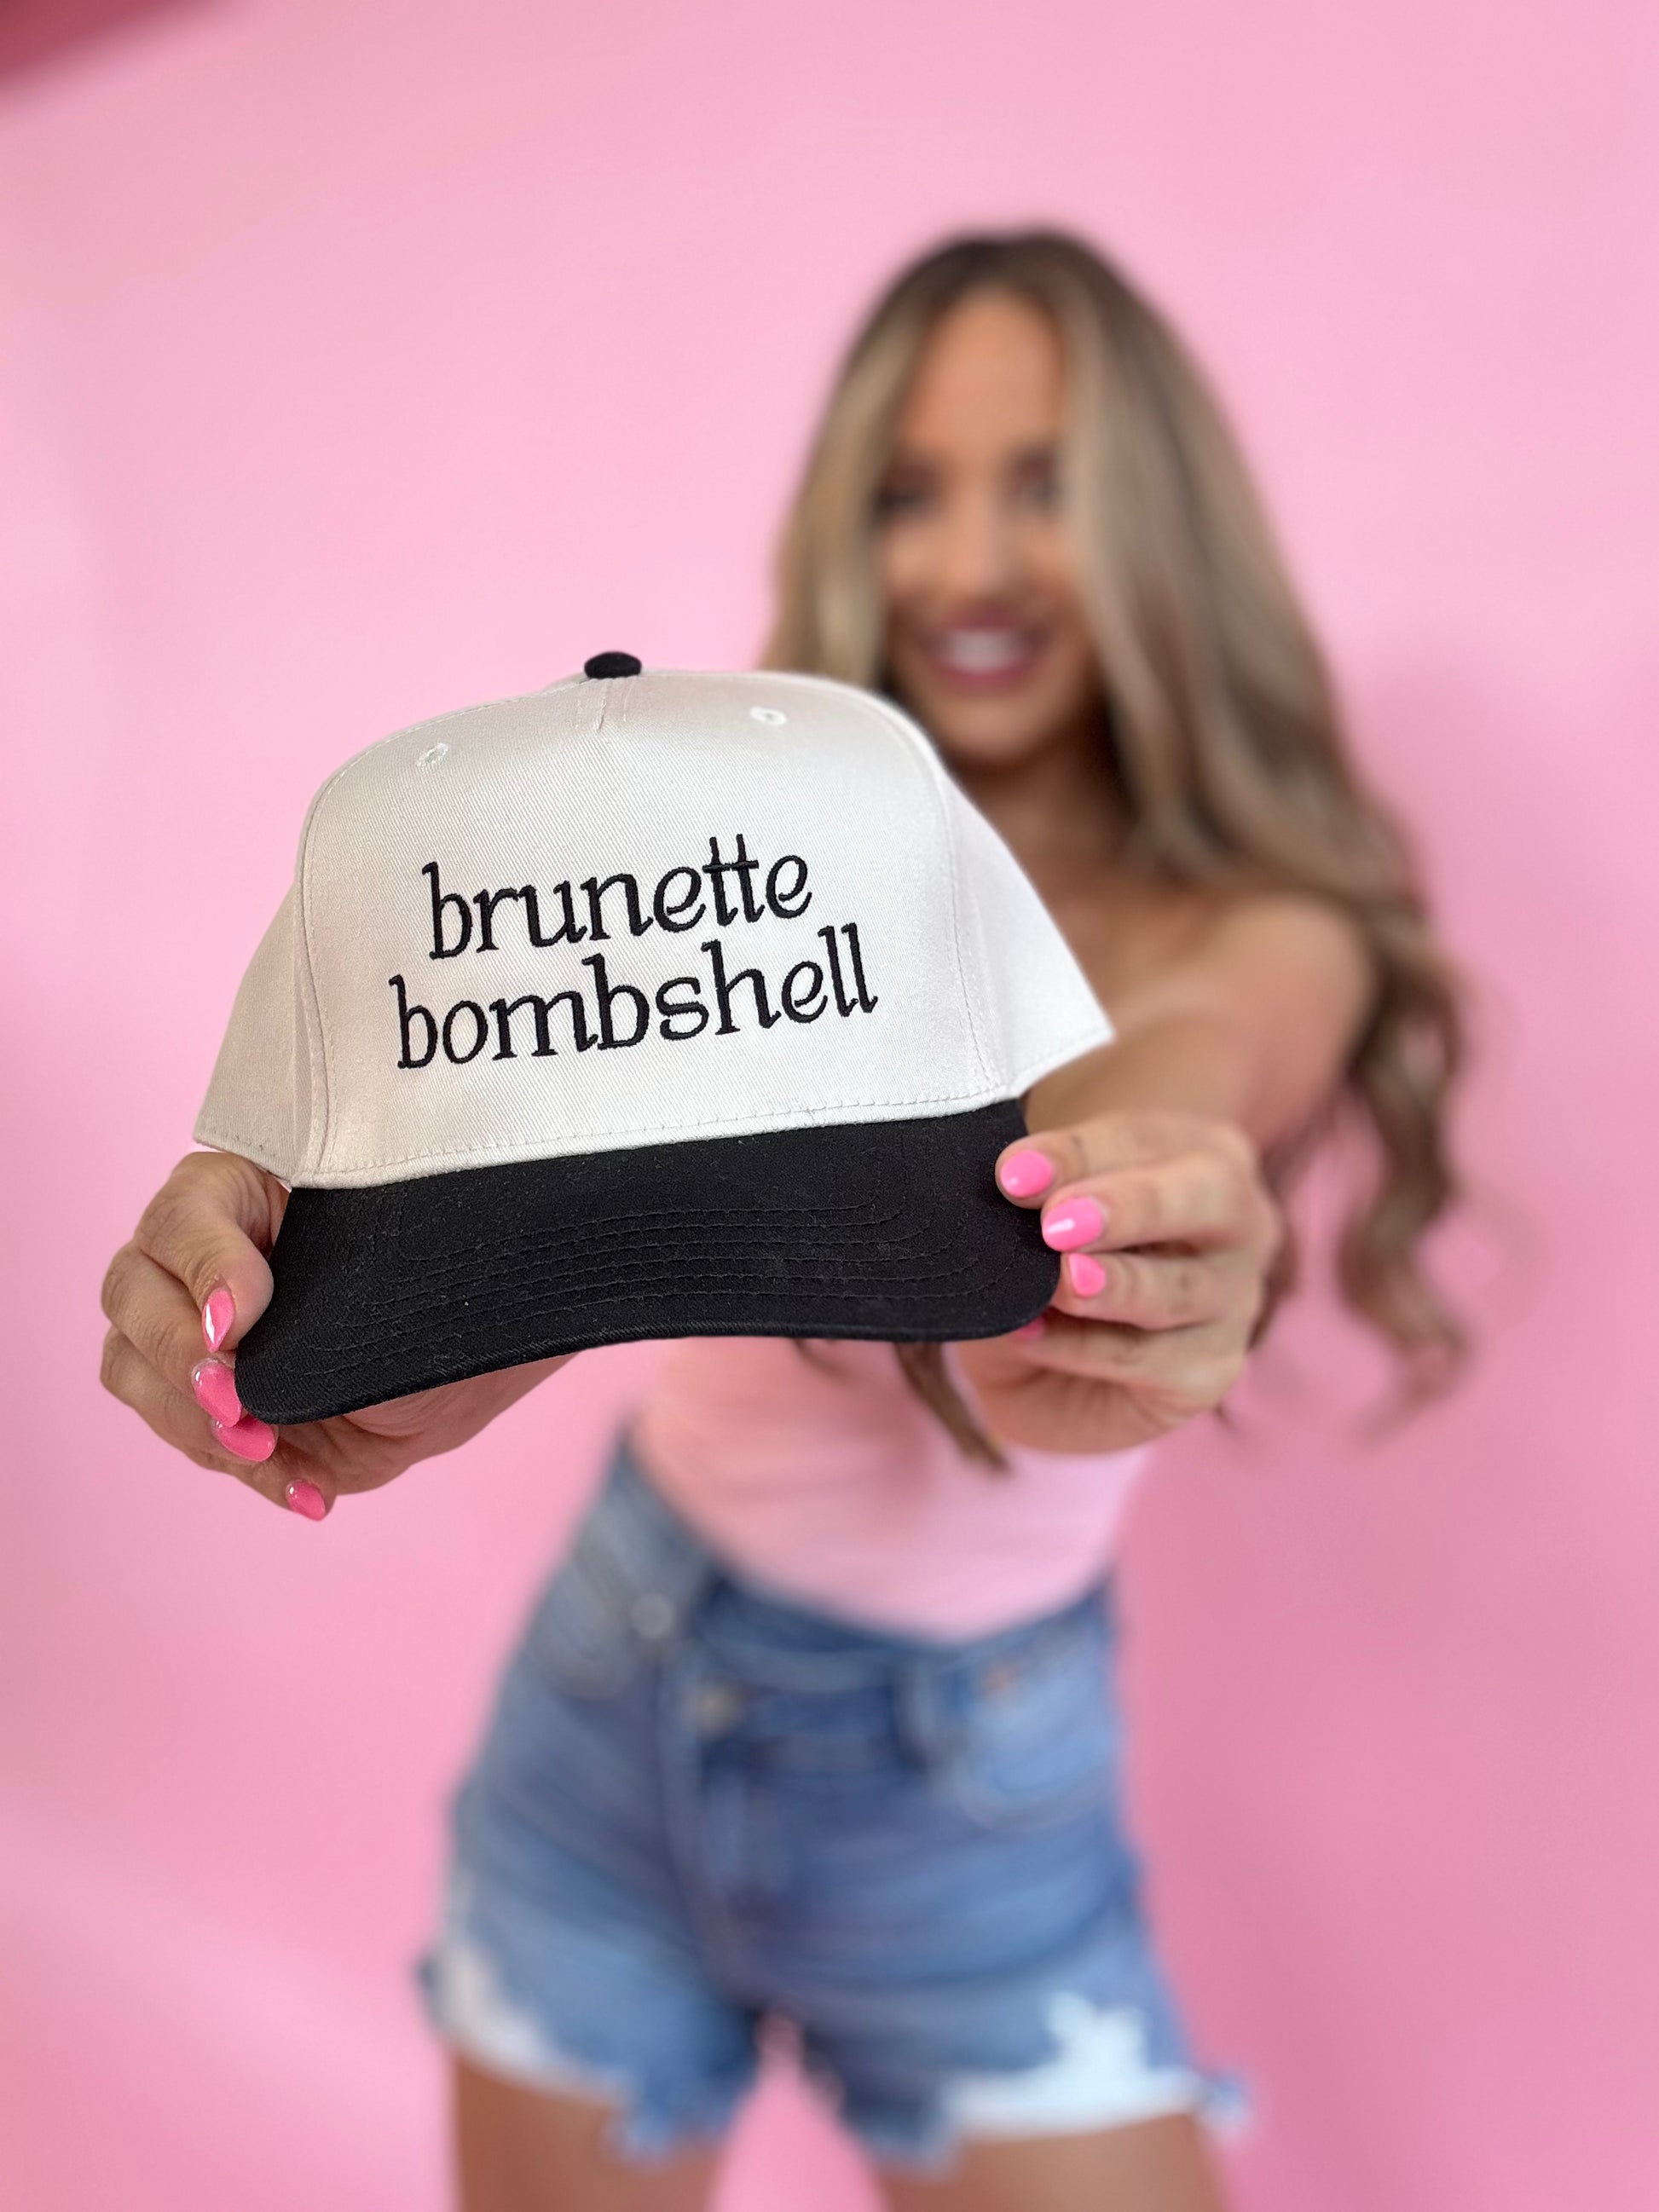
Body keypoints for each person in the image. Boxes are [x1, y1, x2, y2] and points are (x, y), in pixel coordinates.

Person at [98, 231, 1464, 2212]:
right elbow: (634, 1171)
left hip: (968, 1797)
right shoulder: (764, 863)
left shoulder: (1268, 928)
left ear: (1168, 521)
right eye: (909, 491)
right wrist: (347, 1304)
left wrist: (1156, 1215)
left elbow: (1156, 1084)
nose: (967, 564)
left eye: (1046, 481)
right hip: (609, 1692)